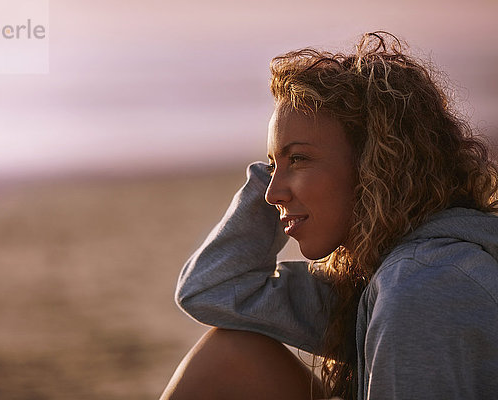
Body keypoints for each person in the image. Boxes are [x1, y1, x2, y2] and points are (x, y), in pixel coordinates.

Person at [159, 32, 498, 400]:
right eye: (272, 168)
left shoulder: (425, 286)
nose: (272, 194)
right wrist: (278, 164)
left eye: (299, 159)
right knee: (232, 353)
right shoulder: (369, 276)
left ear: (376, 165)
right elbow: (211, 290)